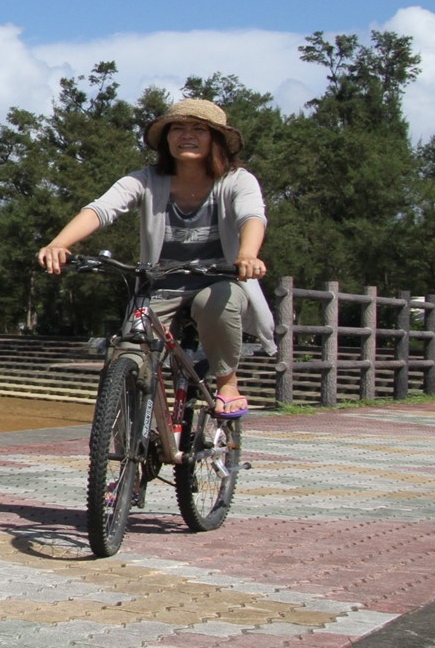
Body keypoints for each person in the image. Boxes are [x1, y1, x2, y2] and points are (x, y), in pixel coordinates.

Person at [35, 97, 272, 418]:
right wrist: (59, 242)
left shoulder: (236, 180)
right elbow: (102, 208)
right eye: (178, 128)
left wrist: (247, 254)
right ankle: (137, 429)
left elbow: (251, 216)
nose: (187, 135)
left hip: (217, 280)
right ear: (166, 138)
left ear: (215, 139)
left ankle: (227, 382)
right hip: (158, 286)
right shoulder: (145, 179)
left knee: (218, 300)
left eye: (199, 129)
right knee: (129, 353)